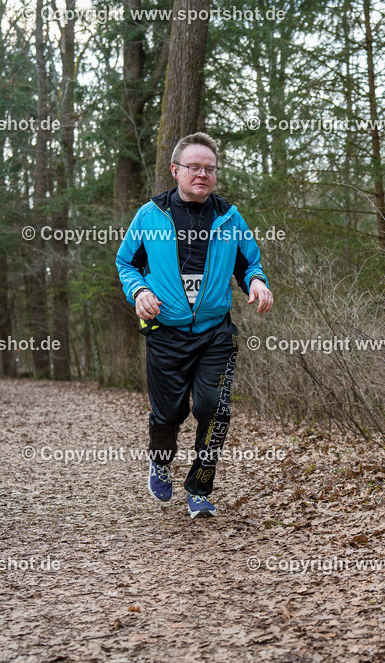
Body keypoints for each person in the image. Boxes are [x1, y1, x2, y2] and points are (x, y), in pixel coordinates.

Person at [115, 132, 273, 518]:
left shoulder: (230, 218)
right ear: (176, 170)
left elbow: (248, 263)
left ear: (215, 174)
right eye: (193, 167)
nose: (201, 174)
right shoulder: (151, 215)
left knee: (214, 409)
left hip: (214, 333)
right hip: (165, 332)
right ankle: (161, 462)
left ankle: (200, 488)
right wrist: (139, 293)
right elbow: (126, 263)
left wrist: (256, 281)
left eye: (209, 168)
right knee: (168, 414)